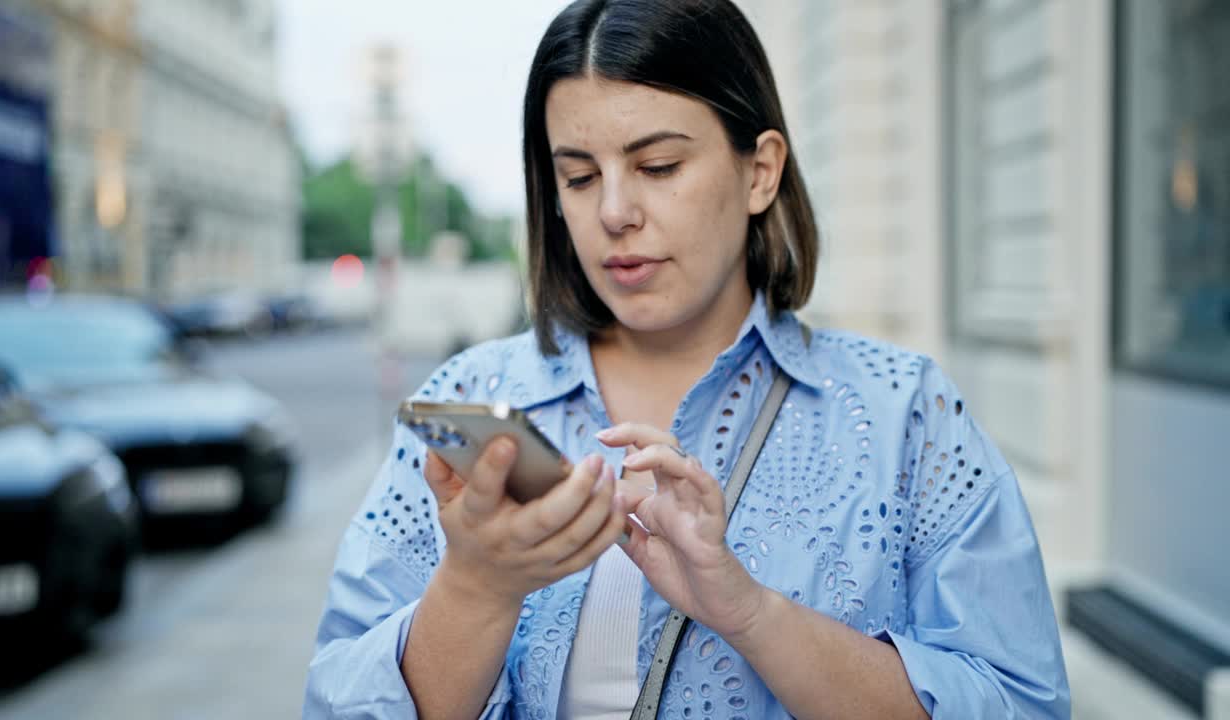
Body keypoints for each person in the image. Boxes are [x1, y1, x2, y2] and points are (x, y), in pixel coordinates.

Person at [303, 0, 1071, 717]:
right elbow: (336, 700)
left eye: (658, 166)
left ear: (759, 171)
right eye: (577, 176)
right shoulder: (472, 397)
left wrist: (749, 610)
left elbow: (1020, 700)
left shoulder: (905, 413)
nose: (613, 212)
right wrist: (477, 588)